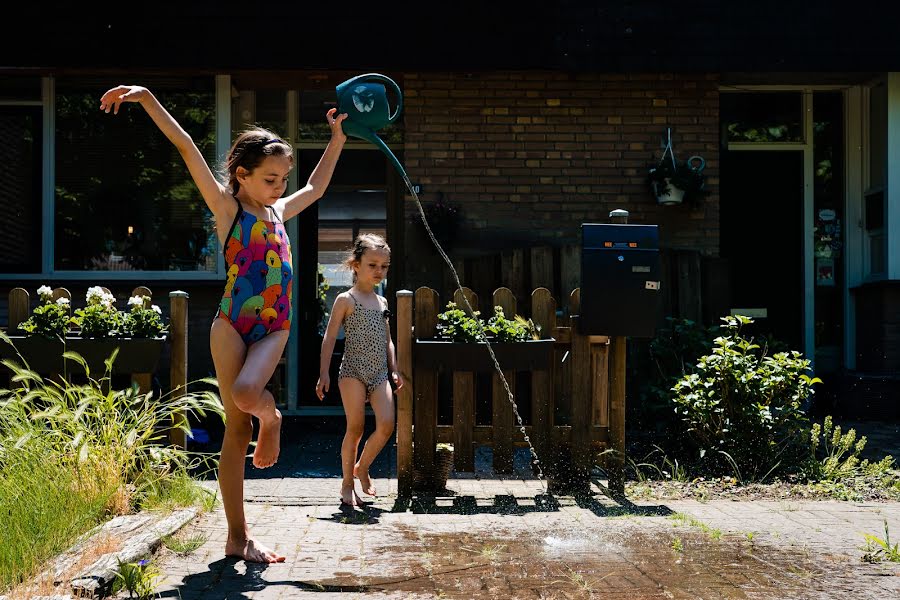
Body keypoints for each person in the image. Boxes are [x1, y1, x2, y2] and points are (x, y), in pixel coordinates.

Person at [100, 84, 347, 563]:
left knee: (246, 395)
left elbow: (316, 188)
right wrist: (149, 97)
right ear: (242, 175)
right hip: (230, 324)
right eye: (272, 179)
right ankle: (238, 536)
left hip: (274, 327)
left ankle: (271, 417)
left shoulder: (278, 210)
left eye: (282, 179)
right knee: (235, 430)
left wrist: (336, 138)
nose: (280, 187)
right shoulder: (228, 208)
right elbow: (186, 147)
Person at [316, 233, 403, 507]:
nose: (379, 271)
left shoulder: (383, 303)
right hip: (352, 371)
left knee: (387, 424)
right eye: (372, 265)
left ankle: (362, 467)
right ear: (356, 264)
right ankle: (346, 484)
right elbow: (329, 337)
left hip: (378, 373)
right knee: (355, 427)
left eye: (384, 267)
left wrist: (394, 369)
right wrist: (324, 373)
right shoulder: (346, 299)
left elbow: (387, 339)